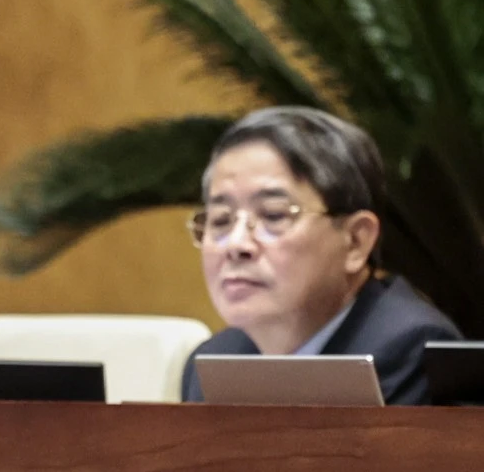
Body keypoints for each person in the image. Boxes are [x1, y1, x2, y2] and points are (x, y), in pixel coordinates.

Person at [182, 106, 457, 405]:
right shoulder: (213, 361)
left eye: (273, 215)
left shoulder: (414, 353)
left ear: (355, 241)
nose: (236, 245)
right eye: (221, 219)